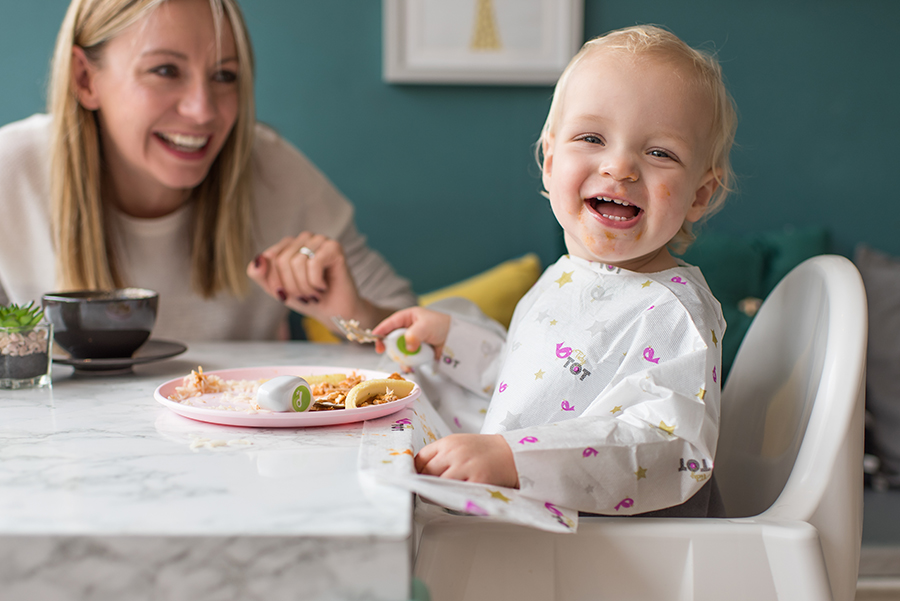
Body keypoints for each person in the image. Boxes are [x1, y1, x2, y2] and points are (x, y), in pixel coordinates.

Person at [373, 24, 737, 517]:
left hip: (613, 557)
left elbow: (666, 446)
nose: (621, 166)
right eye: (592, 137)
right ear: (548, 160)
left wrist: (512, 458)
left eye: (660, 153)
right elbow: (540, 381)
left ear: (699, 195)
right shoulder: (566, 278)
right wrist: (452, 340)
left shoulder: (673, 313)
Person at [0, 0, 416, 341]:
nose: (203, 111)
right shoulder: (10, 172)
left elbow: (416, 333)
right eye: (165, 71)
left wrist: (354, 315)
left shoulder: (273, 174)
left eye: (224, 75)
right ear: (85, 78)